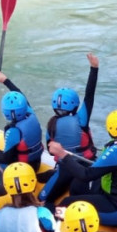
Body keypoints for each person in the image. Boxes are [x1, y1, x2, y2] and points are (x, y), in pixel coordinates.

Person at [47, 110, 117, 226]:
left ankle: (53, 231)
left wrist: (62, 154)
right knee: (78, 185)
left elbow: (86, 175)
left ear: (110, 130)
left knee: (66, 202)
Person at [38, 53, 99, 208]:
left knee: (42, 198)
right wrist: (94, 68)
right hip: (86, 166)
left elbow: (52, 152)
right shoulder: (81, 119)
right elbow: (89, 96)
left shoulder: (51, 125)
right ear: (74, 105)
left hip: (64, 169)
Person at [0, 72, 44, 174]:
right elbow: (20, 94)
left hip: (23, 170)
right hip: (36, 163)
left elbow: (7, 159)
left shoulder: (13, 131)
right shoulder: (31, 115)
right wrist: (5, 80)